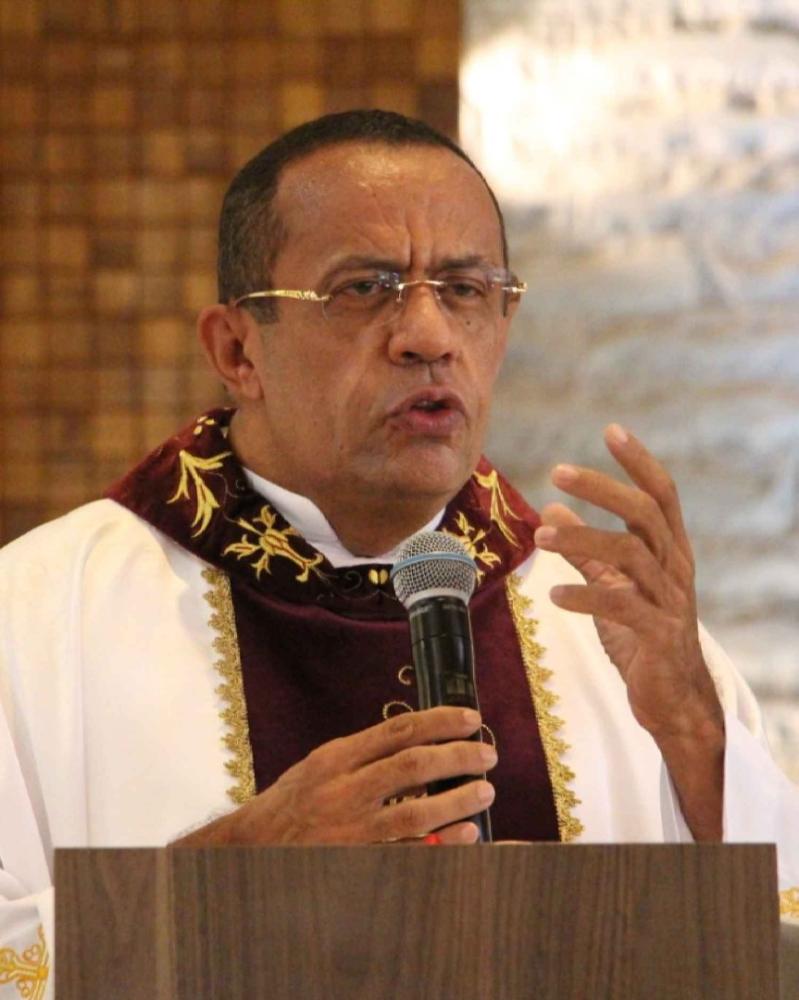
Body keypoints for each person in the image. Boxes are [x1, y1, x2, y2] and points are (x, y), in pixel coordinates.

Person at [0, 109, 797, 997]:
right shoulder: (34, 623)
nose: (428, 335)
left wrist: (695, 734)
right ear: (237, 350)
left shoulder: (610, 629)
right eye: (364, 288)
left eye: (465, 288)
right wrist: (224, 879)